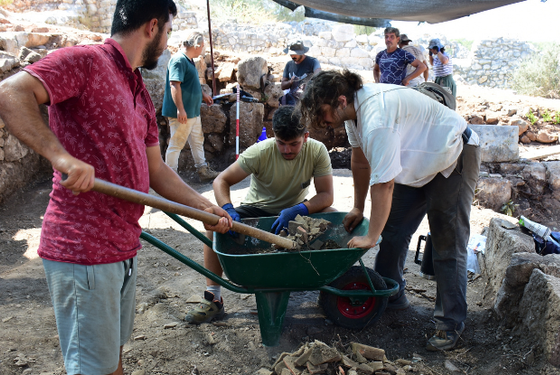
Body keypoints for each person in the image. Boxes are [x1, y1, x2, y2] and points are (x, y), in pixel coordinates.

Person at [0, 1, 233, 374]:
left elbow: (155, 169)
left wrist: (202, 205)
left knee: (112, 360)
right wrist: (61, 158)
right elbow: (11, 91)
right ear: (152, 26)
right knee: (95, 368)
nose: (168, 42)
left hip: (121, 245)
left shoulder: (136, 87)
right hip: (83, 249)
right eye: (169, 32)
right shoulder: (85, 61)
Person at [298, 70, 480, 352]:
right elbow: (359, 161)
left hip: (451, 155)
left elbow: (383, 183)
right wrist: (358, 207)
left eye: (322, 112)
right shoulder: (353, 112)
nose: (322, 120)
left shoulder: (376, 120)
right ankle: (390, 295)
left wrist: (370, 237)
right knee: (392, 231)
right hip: (417, 160)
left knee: (448, 242)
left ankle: (449, 323)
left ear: (341, 100)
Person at [184, 105, 334, 324]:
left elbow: (326, 195)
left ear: (306, 137)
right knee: (215, 226)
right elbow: (220, 180)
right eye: (281, 143)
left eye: (294, 144)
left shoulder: (317, 150)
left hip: (294, 212)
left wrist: (300, 208)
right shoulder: (261, 151)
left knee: (332, 216)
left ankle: (327, 285)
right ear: (273, 136)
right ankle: (213, 298)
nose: (287, 150)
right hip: (257, 209)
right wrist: (227, 209)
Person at [162, 31, 219, 182]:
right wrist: (180, 109)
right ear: (197, 45)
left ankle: (202, 169)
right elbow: (174, 84)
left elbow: (189, 83)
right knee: (176, 144)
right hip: (183, 113)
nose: (203, 48)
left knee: (197, 140)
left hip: (192, 112)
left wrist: (202, 95)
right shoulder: (179, 60)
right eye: (203, 45)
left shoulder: (188, 61)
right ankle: (170, 178)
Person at [281, 40, 321, 105]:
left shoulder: (313, 62)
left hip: (307, 100)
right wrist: (290, 82)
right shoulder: (289, 64)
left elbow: (319, 77)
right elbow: (283, 86)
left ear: (302, 52)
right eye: (291, 54)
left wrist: (308, 83)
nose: (292, 56)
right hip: (292, 101)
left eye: (295, 54)